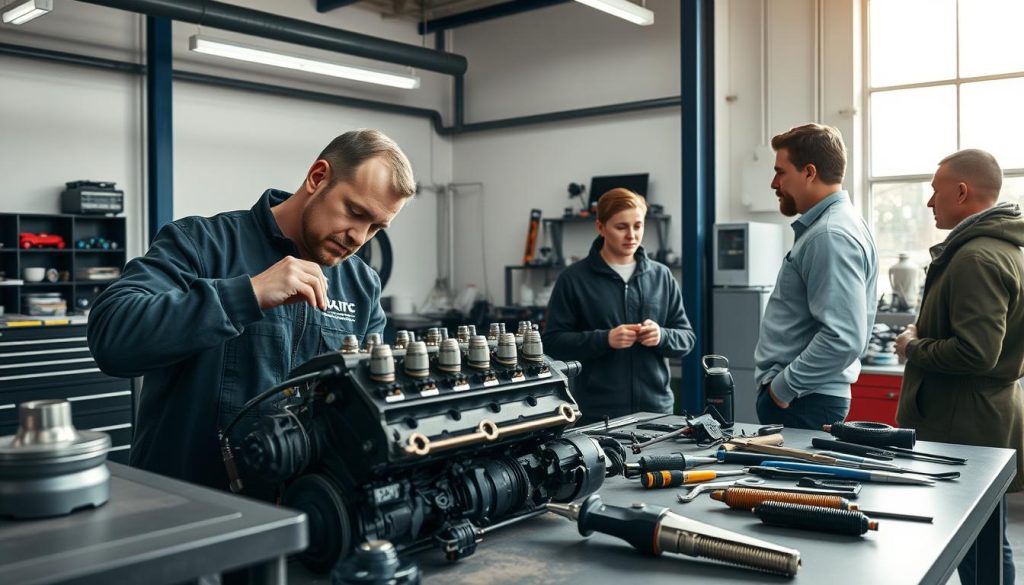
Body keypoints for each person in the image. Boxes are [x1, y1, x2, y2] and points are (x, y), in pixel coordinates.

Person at [88, 129, 416, 493]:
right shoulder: (202, 243)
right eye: (354, 212)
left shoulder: (361, 284)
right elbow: (112, 337)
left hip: (304, 513)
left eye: (375, 227)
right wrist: (248, 294)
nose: (359, 236)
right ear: (318, 177)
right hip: (186, 510)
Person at [894, 149, 1023, 585]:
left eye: (935, 191)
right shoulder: (1002, 251)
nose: (930, 202)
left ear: (962, 191)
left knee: (976, 546)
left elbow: (976, 352)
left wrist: (914, 346)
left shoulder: (976, 258)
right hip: (981, 419)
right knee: (986, 540)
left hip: (964, 428)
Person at [754, 123, 879, 430]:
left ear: (809, 172)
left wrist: (781, 390)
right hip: (805, 397)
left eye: (781, 171)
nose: (774, 183)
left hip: (803, 400)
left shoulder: (829, 234)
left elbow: (843, 337)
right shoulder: (834, 226)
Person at [542, 188, 695, 423]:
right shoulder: (573, 279)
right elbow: (552, 344)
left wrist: (661, 336)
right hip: (597, 414)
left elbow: (686, 339)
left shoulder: (661, 276)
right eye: (621, 227)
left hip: (656, 412)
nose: (632, 235)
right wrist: (605, 339)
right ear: (601, 227)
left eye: (638, 225)